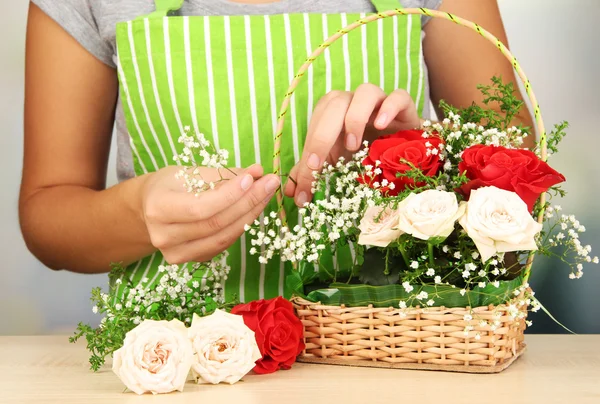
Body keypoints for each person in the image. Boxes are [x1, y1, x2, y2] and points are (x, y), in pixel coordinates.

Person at [20, 0, 534, 302]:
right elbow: (47, 211)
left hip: (392, 356)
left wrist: (412, 151)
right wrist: (135, 212)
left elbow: (520, 164)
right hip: (179, 369)